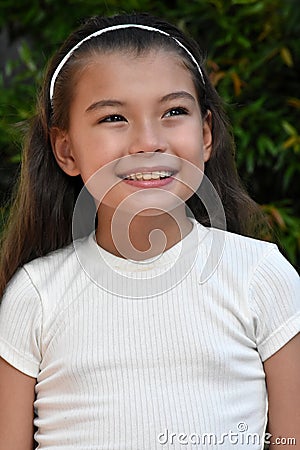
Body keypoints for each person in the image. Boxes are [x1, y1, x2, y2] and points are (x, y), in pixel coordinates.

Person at [0, 11, 299, 450]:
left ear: (206, 133)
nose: (148, 142)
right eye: (113, 118)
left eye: (174, 112)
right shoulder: (36, 296)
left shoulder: (260, 275)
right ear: (66, 150)